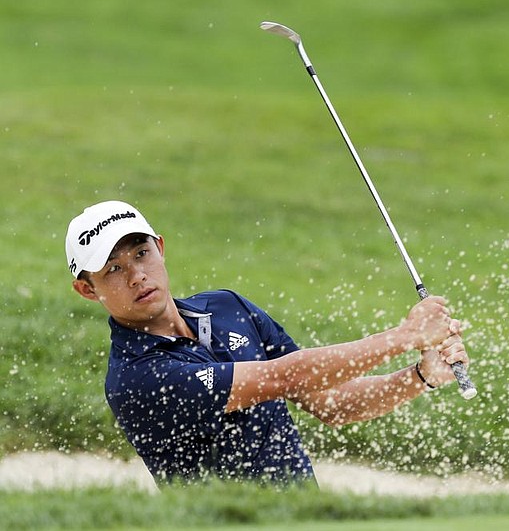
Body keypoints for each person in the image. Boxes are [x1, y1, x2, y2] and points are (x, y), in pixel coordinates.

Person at [65, 200, 469, 486]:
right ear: (87, 289)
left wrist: (420, 377)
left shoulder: (226, 307)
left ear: (161, 248)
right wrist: (404, 336)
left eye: (141, 253)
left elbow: (333, 404)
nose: (136, 275)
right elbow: (284, 378)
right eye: (114, 268)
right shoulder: (137, 378)